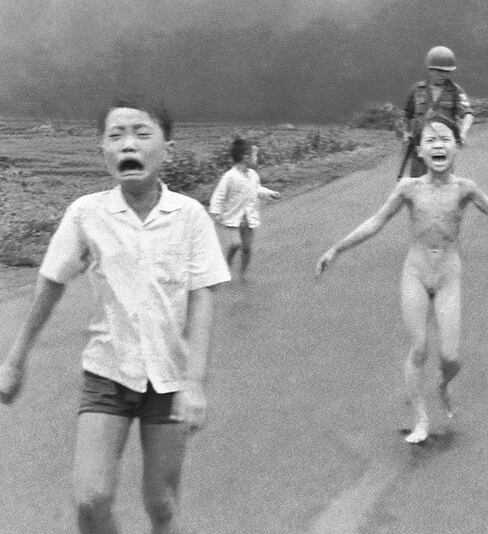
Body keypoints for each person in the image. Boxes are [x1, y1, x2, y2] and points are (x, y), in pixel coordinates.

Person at [0, 102, 230, 533]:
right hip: (107, 374)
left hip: (170, 380)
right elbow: (50, 283)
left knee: (161, 504)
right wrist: (15, 360)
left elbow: (204, 298)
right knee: (90, 498)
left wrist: (196, 383)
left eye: (142, 134)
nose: (128, 144)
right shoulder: (87, 214)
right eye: (115, 135)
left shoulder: (190, 217)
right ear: (103, 150)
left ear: (169, 149)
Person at [317, 117, 488, 444]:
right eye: (430, 139)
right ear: (419, 150)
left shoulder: (465, 188)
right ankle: (421, 420)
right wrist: (336, 249)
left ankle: (443, 386)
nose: (438, 144)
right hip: (415, 272)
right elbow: (375, 222)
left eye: (445, 138)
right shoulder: (408, 188)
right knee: (418, 349)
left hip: (448, 274)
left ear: (456, 147)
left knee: (451, 357)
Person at [209, 137, 281, 280]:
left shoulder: (253, 175)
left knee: (247, 248)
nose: (257, 159)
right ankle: (225, 267)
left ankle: (243, 273)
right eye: (255, 156)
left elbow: (257, 189)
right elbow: (219, 195)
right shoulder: (229, 176)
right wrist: (216, 213)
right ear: (246, 157)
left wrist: (269, 193)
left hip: (248, 218)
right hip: (233, 217)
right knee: (236, 244)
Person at [400, 45, 475, 178]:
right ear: (431, 70)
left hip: (443, 148)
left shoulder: (455, 91)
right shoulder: (418, 90)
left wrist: (462, 134)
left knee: (443, 185)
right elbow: (407, 115)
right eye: (439, 71)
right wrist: (406, 134)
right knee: (418, 186)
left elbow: (468, 114)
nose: (443, 75)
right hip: (421, 147)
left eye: (447, 72)